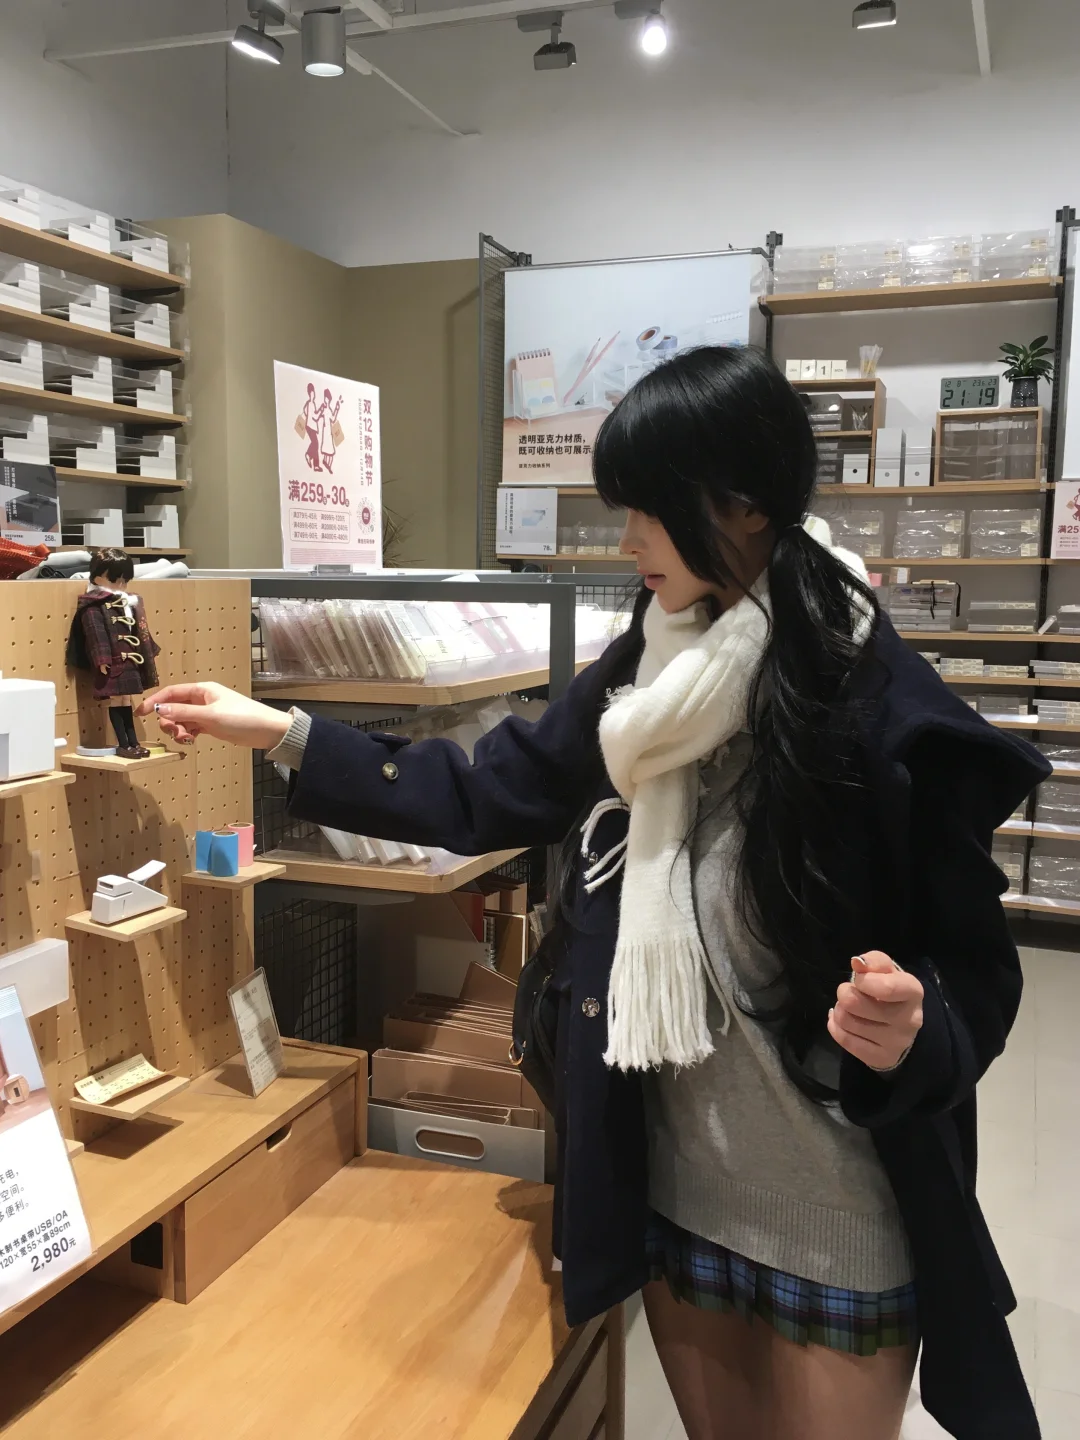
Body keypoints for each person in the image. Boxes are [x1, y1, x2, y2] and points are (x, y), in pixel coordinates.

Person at [140, 347, 1046, 1440]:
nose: (627, 543)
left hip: (843, 1210)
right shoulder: (647, 674)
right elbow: (487, 791)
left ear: (747, 505)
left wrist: (915, 1027)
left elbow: (976, 979)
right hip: (676, 1188)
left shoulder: (880, 709)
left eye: (649, 510)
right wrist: (283, 732)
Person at [302, 382, 322, 471]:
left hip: (309, 426)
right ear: (310, 393)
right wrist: (321, 411)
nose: (313, 395)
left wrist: (318, 411)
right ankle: (309, 455)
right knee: (315, 443)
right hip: (310, 426)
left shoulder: (308, 404)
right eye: (312, 393)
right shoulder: (311, 403)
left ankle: (315, 465)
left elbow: (307, 412)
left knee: (315, 444)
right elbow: (315, 417)